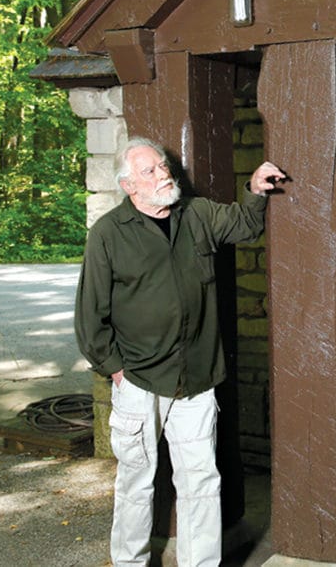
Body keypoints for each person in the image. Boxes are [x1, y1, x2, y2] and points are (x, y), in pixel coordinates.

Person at [74, 137, 285, 567]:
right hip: (138, 379)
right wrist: (115, 369)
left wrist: (257, 189)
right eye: (150, 170)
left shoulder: (198, 213)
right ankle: (130, 563)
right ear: (129, 185)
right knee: (136, 482)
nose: (163, 173)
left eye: (164, 166)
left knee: (201, 482)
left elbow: (245, 223)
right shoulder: (108, 235)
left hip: (197, 378)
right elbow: (89, 315)